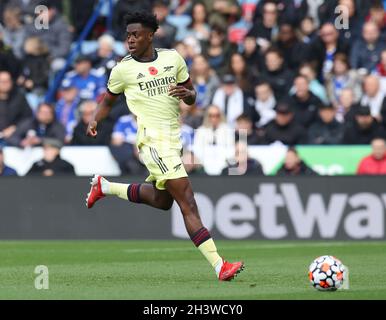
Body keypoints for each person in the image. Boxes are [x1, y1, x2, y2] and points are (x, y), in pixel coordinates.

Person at [85, 12, 244, 281]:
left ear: (150, 35)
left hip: (174, 139)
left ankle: (105, 187)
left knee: (162, 201)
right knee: (188, 202)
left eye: (136, 34)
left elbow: (192, 95)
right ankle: (220, 265)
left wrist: (188, 95)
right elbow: (108, 100)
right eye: (128, 35)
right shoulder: (123, 69)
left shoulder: (173, 59)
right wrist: (94, 119)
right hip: (152, 141)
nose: (130, 39)